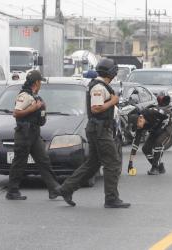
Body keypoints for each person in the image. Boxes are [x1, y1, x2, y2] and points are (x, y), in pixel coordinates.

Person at [58, 58, 130, 208]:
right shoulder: (98, 87)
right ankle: (111, 198)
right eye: (114, 71)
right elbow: (96, 108)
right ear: (110, 72)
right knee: (112, 162)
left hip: (98, 129)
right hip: (100, 131)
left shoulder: (102, 86)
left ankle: (66, 189)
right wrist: (113, 101)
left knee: (93, 164)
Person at [6, 70, 60, 200]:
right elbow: (16, 113)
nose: (41, 84)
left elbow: (39, 118)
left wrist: (41, 109)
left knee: (44, 160)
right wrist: (34, 108)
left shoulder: (35, 96)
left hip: (34, 134)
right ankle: (12, 191)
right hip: (24, 134)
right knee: (19, 162)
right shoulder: (24, 95)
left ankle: (54, 189)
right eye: (40, 81)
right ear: (36, 82)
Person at [127, 95, 172, 175]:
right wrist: (130, 162)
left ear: (141, 117)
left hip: (167, 126)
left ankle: (155, 168)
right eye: (137, 126)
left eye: (138, 123)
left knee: (158, 143)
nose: (138, 126)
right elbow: (135, 145)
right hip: (155, 129)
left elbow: (168, 115)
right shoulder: (140, 127)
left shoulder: (152, 112)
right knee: (146, 149)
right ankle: (159, 166)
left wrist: (161, 128)